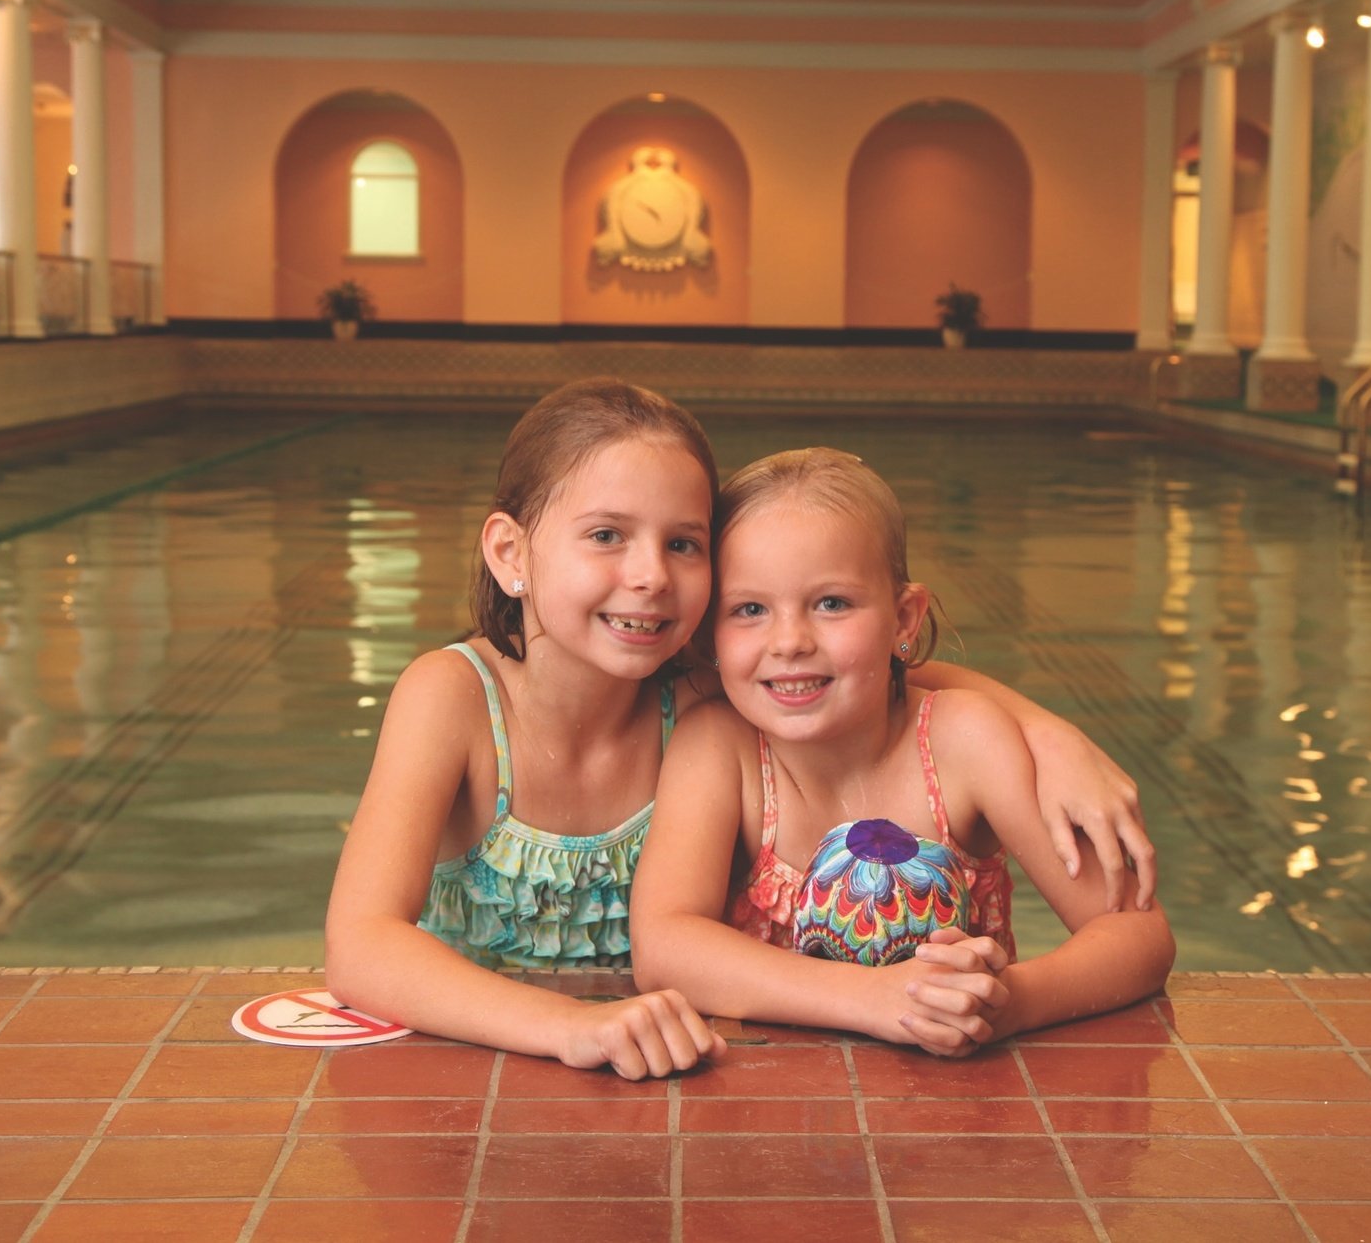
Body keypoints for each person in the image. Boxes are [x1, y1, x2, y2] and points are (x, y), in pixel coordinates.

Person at [325, 380, 1159, 1078]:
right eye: (607, 535)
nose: (650, 575)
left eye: (683, 542)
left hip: (674, 1072)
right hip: (480, 1062)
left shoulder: (697, 693)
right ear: (511, 552)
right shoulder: (455, 700)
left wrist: (1046, 732)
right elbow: (360, 944)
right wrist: (565, 1026)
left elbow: (875, 680)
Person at [631, 449, 1175, 1058]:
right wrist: (872, 998)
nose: (789, 642)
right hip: (772, 1104)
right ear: (711, 635)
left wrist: (1015, 1000)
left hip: (956, 1109)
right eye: (750, 610)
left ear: (904, 619)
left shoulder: (962, 742)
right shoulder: (719, 749)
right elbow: (664, 945)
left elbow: (1138, 933)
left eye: (832, 603)